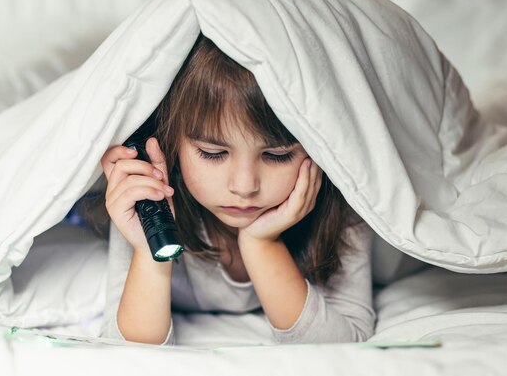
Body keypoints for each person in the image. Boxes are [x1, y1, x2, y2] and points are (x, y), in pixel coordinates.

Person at [99, 33, 375, 345]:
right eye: (213, 153)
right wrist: (148, 250)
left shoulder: (343, 199)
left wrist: (262, 244)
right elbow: (129, 355)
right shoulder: (149, 195)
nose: (244, 186)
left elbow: (346, 344)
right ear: (172, 143)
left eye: (277, 155)